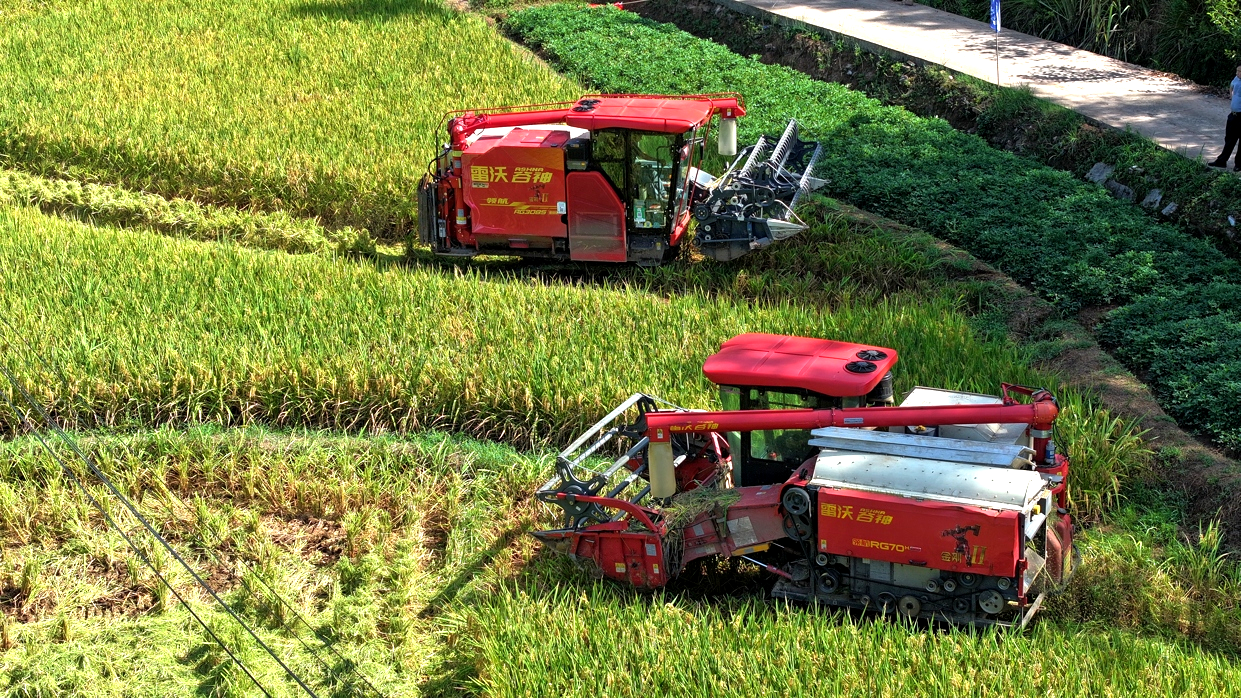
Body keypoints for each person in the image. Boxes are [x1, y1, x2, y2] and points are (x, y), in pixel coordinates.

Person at [1209, 64, 1241, 170]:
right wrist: (1232, 96)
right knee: (1229, 139)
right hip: (1233, 115)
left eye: (1239, 71)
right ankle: (1222, 161)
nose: (1237, 73)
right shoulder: (1236, 78)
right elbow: (1231, 86)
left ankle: (1239, 164)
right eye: (1237, 71)